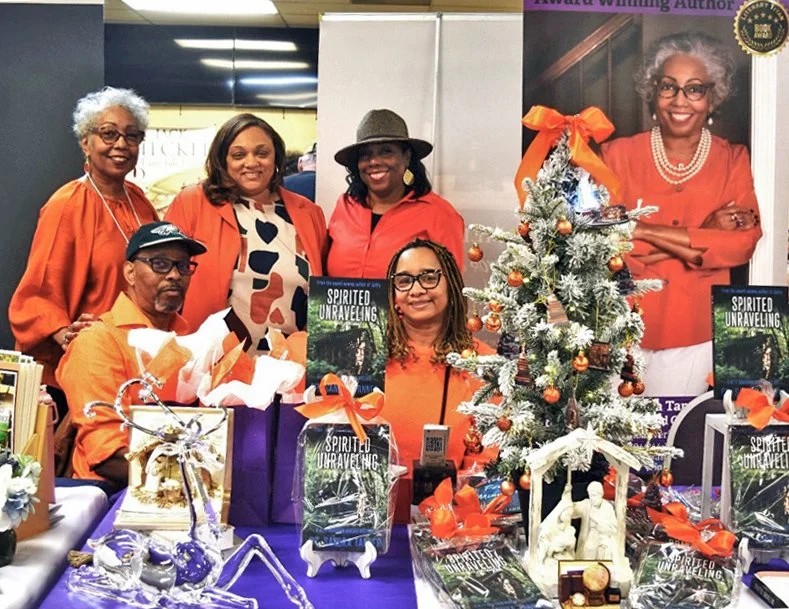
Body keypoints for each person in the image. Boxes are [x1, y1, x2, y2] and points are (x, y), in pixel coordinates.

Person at [601, 32, 762, 396]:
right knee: (617, 448)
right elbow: (602, 245)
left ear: (712, 98)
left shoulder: (734, 159)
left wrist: (640, 228)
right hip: (622, 328)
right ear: (653, 91)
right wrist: (703, 234)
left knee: (681, 445)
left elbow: (742, 244)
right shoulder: (616, 155)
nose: (679, 100)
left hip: (696, 333)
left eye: (695, 89)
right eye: (668, 86)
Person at [9, 87, 158, 393]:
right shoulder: (68, 204)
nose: (121, 144)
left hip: (134, 367)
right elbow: (39, 291)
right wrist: (62, 332)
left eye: (132, 135)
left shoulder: (140, 202)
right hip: (83, 371)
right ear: (85, 142)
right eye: (108, 133)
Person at [56, 222, 206, 489]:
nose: (174, 275)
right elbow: (107, 455)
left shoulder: (191, 340)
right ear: (130, 272)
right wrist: (192, 481)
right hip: (110, 498)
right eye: (160, 264)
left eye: (183, 266)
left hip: (185, 488)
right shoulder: (97, 340)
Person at [165, 114, 327, 353]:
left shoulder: (309, 213)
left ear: (277, 159)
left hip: (288, 371)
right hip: (210, 368)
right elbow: (161, 276)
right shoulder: (192, 203)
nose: (251, 163)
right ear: (223, 160)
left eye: (262, 153)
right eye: (239, 155)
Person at [383, 239, 493, 523]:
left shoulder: (482, 362)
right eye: (404, 280)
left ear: (452, 286)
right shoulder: (368, 353)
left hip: (447, 526)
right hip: (371, 526)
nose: (417, 289)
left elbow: (487, 460)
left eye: (429, 277)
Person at [326, 109, 465, 279]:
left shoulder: (439, 214)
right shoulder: (345, 207)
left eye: (386, 151)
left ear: (406, 157)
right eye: (365, 155)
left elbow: (450, 288)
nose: (374, 161)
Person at [572, 481, 617, 560]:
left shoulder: (608, 507)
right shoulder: (587, 504)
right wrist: (567, 499)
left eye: (594, 495)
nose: (592, 499)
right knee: (588, 549)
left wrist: (600, 524)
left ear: (601, 494)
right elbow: (574, 509)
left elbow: (613, 528)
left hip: (603, 536)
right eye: (590, 496)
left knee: (606, 549)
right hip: (590, 535)